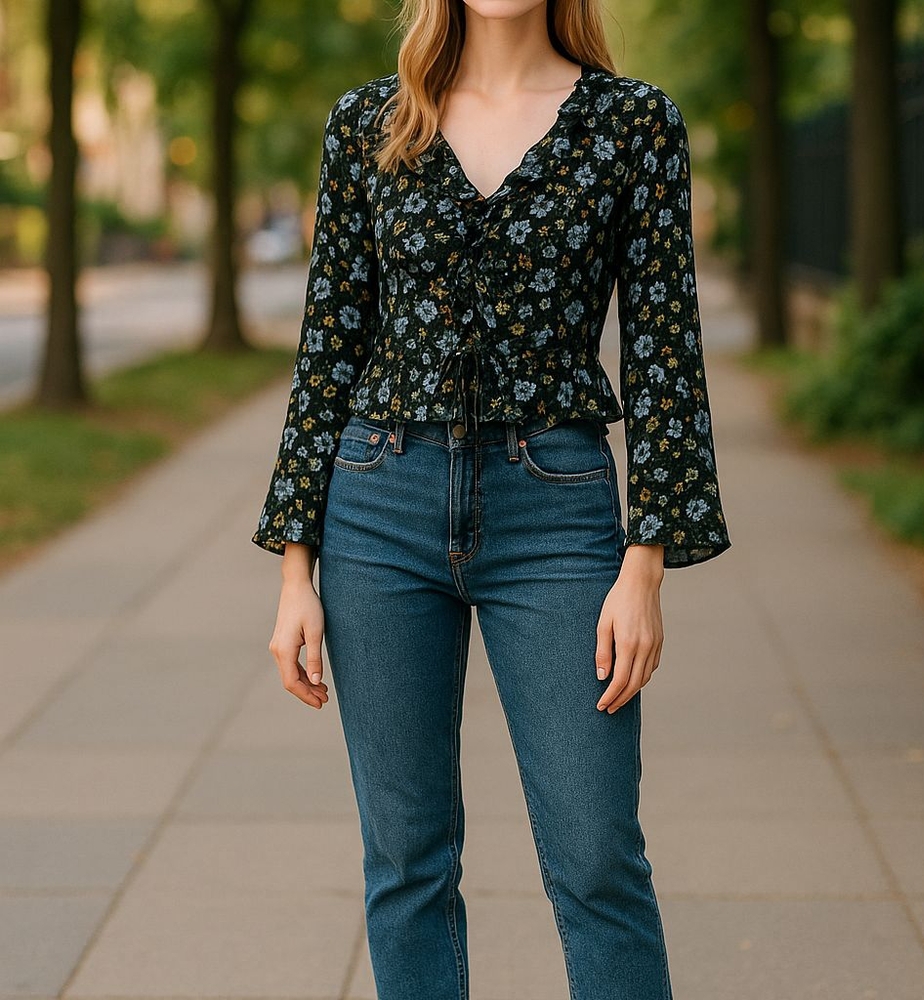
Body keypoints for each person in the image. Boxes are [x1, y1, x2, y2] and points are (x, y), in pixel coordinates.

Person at [252, 1, 732, 997]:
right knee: (405, 864)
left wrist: (645, 563)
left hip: (555, 511)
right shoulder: (370, 124)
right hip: (376, 506)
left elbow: (663, 353)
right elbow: (328, 347)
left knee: (597, 860)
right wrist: (297, 567)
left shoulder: (633, 124)